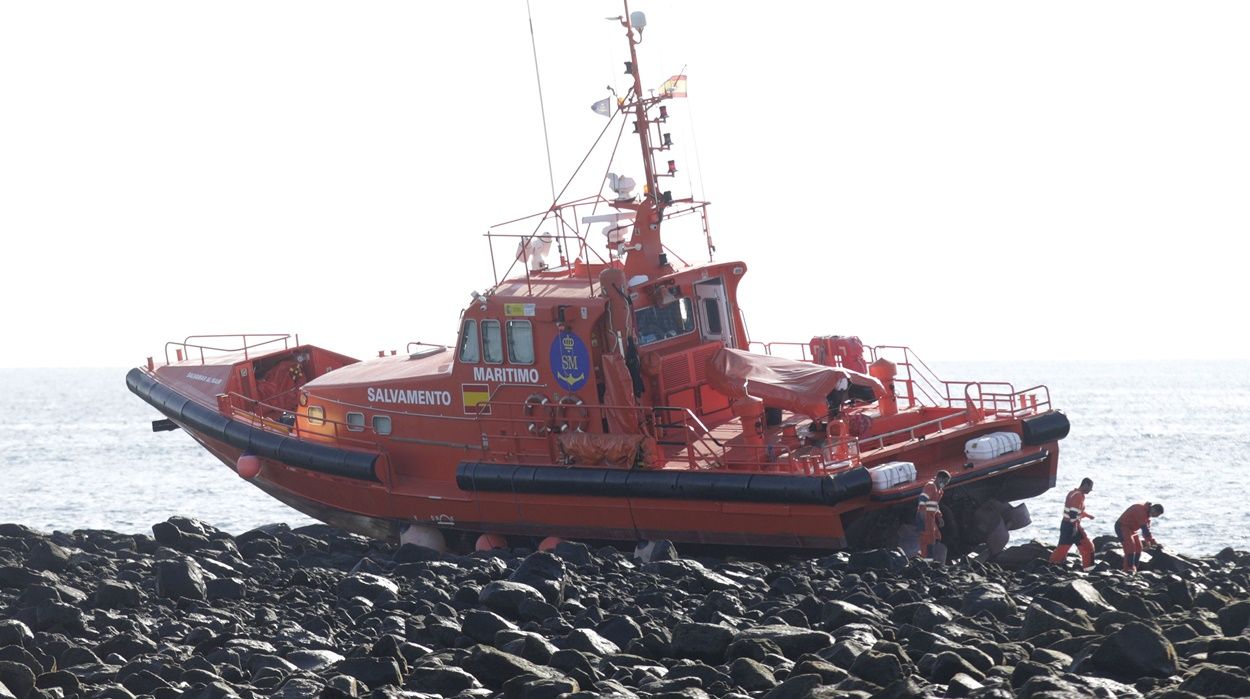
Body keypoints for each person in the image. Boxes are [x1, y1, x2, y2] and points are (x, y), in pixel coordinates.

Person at [1049, 477, 1095, 569]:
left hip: (1065, 525)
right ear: (1085, 485)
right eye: (1090, 487)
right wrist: (1075, 528)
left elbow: (1073, 510)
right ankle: (1089, 569)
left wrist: (1087, 515)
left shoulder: (1072, 493)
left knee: (1062, 548)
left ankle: (1051, 566)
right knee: (1088, 548)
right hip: (1073, 526)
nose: (1091, 490)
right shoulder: (1079, 496)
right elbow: (1073, 514)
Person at [1115, 501, 1163, 573]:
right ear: (1153, 509)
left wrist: (1151, 542)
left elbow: (1146, 531)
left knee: (1138, 547)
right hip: (1122, 526)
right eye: (1157, 514)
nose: (1156, 516)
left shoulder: (1147, 516)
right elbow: (1144, 528)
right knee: (1130, 547)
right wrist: (1151, 542)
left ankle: (1134, 569)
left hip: (1131, 530)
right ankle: (1127, 569)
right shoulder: (1140, 509)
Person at [915, 470, 951, 559]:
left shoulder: (940, 491)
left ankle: (926, 556)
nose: (945, 484)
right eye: (945, 482)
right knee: (928, 539)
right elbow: (922, 500)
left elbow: (935, 505)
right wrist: (922, 515)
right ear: (939, 478)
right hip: (925, 516)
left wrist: (939, 517)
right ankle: (926, 559)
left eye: (947, 482)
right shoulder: (931, 486)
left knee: (937, 536)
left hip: (931, 517)